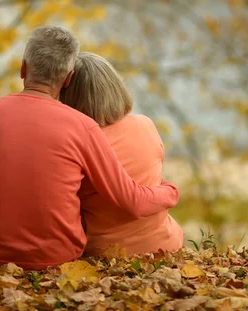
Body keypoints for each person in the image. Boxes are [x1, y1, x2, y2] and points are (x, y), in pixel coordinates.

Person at [0, 26, 179, 270]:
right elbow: (130, 197)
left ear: (23, 68)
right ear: (67, 78)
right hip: (58, 258)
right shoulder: (84, 126)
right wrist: (170, 190)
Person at [60, 53, 183, 256]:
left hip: (107, 254)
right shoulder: (146, 124)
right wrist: (170, 191)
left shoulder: (76, 145)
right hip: (166, 246)